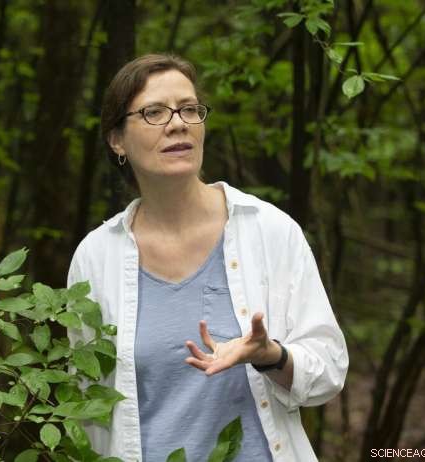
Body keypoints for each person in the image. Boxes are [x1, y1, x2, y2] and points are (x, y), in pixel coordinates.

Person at [67, 54, 348, 461]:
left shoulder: (268, 230)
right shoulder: (96, 257)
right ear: (117, 140)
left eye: (189, 109)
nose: (178, 123)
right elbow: (86, 402)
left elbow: (329, 369)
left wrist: (271, 356)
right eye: (154, 112)